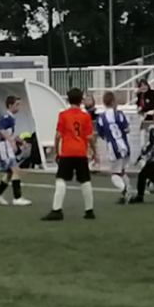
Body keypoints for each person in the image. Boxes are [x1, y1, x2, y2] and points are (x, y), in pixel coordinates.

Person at [42, 88, 96, 221]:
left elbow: (58, 135)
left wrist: (56, 150)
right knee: (85, 180)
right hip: (81, 152)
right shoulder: (86, 116)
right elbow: (90, 137)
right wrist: (95, 151)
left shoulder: (63, 115)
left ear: (68, 99)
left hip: (67, 152)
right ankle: (89, 211)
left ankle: (57, 210)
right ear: (81, 100)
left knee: (61, 179)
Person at [0, 96, 32, 207]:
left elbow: (10, 134)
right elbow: (2, 130)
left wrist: (21, 141)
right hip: (5, 146)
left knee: (10, 173)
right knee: (15, 170)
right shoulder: (6, 117)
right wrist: (11, 142)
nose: (19, 107)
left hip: (7, 145)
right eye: (17, 104)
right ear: (10, 105)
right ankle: (17, 198)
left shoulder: (11, 118)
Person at [95, 91, 131, 204]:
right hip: (125, 146)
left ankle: (124, 190)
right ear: (113, 102)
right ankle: (128, 193)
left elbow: (101, 134)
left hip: (113, 148)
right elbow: (127, 129)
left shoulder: (101, 118)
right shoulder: (119, 114)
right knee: (122, 171)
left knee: (115, 174)